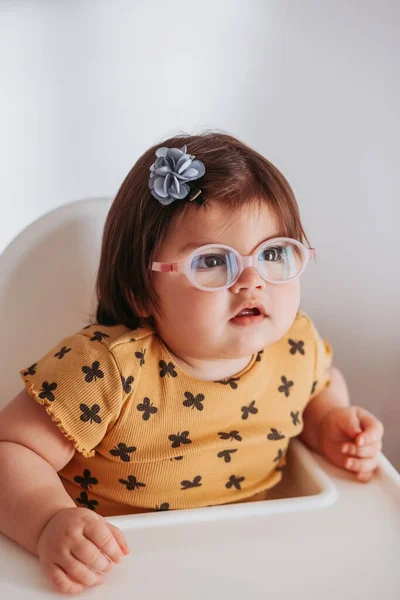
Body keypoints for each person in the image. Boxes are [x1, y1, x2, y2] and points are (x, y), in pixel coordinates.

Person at [0, 132, 384, 594]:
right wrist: (47, 523)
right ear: (140, 289)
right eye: (212, 262)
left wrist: (331, 423)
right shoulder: (104, 370)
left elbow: (319, 386)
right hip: (120, 568)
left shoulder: (296, 344)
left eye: (274, 254)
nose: (251, 282)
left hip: (251, 557)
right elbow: (12, 451)